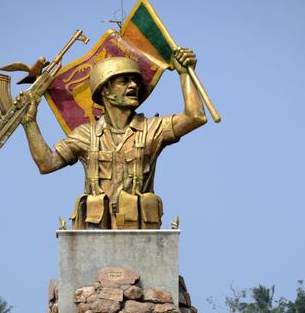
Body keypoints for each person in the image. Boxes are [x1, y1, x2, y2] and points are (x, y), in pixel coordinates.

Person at [18, 47, 207, 229]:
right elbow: (47, 163)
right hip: (95, 236)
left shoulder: (152, 129)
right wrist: (29, 123)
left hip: (139, 235)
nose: (133, 85)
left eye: (135, 81)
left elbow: (194, 117)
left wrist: (185, 74)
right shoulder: (86, 135)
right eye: (124, 81)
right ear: (105, 90)